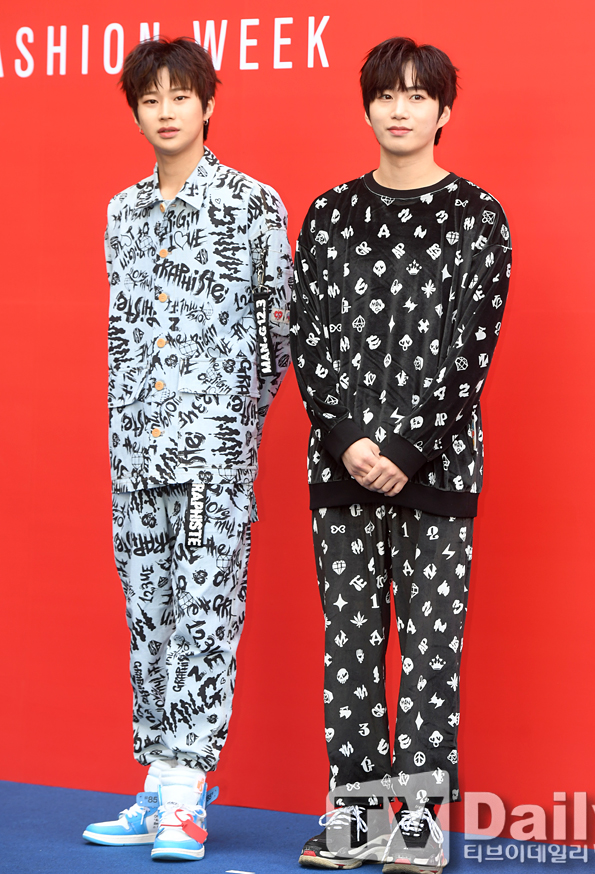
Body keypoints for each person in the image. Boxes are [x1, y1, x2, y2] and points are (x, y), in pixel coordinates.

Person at [290, 37, 512, 872]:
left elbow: (472, 349)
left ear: (444, 110)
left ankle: (417, 827)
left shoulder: (478, 217)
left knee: (429, 656)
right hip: (340, 468)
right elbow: (307, 337)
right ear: (367, 106)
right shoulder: (329, 214)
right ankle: (354, 825)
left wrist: (410, 451)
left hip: (439, 472)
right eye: (387, 94)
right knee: (348, 652)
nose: (400, 109)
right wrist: (347, 441)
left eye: (418, 96)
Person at [83, 36, 292, 862]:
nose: (166, 111)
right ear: (135, 113)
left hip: (212, 455)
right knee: (150, 620)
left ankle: (184, 796)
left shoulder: (252, 204)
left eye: (180, 95)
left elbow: (279, 331)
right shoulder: (121, 212)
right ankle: (159, 785)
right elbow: (121, 332)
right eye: (150, 99)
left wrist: (232, 420)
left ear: (208, 103)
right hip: (135, 453)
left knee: (205, 618)